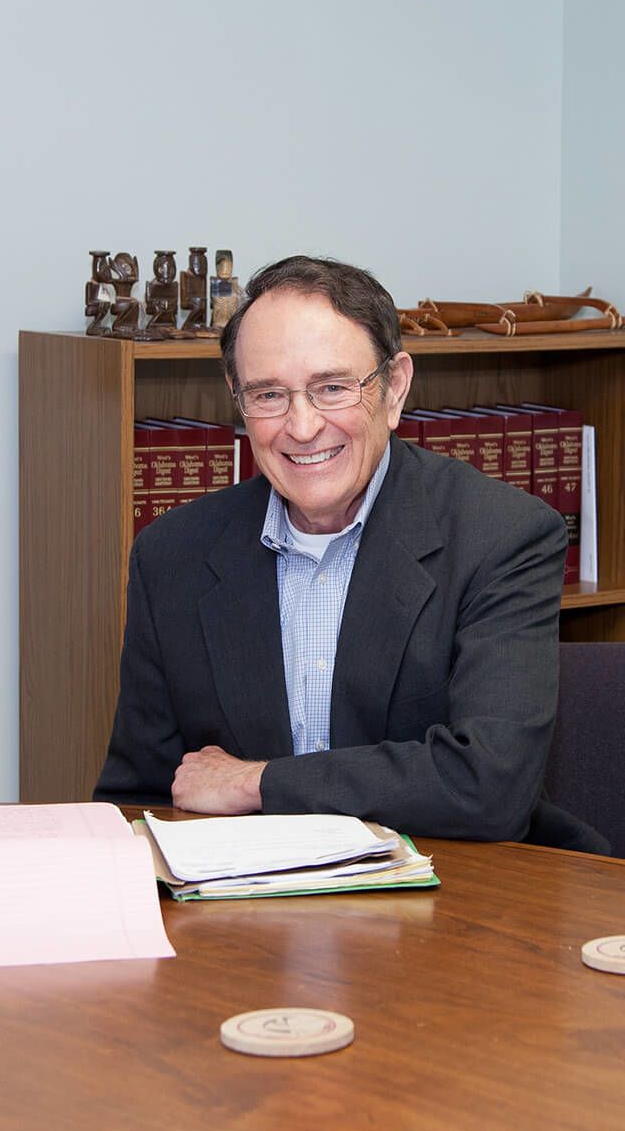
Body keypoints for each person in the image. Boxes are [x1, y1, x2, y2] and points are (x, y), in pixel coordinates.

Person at [95, 255, 604, 851]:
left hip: (458, 904)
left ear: (394, 389)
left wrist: (261, 782)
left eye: (332, 388)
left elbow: (490, 787)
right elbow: (139, 799)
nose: (303, 426)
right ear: (238, 401)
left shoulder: (502, 537)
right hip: (244, 917)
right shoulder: (173, 556)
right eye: (269, 395)